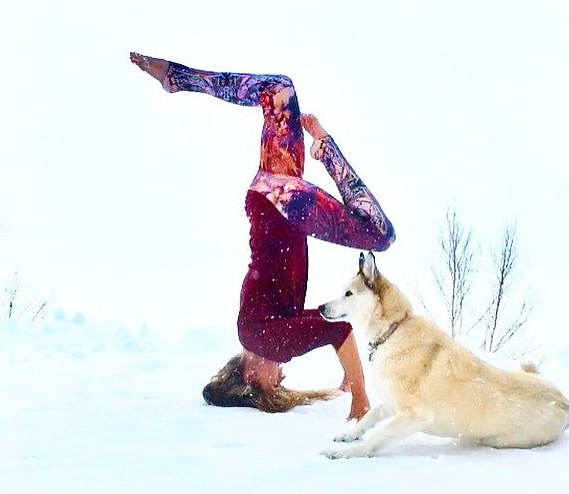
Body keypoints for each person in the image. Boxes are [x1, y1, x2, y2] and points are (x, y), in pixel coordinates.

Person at [130, 52, 395, 419]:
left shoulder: (267, 341)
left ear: (250, 375)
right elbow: (328, 320)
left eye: (274, 384)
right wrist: (345, 379)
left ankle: (327, 150)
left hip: (286, 208)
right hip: (268, 196)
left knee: (379, 235)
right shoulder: (258, 330)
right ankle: (177, 79)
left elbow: (339, 332)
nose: (282, 375)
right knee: (278, 89)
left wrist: (359, 396)